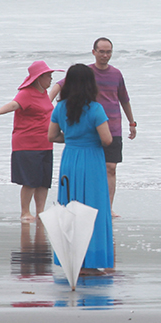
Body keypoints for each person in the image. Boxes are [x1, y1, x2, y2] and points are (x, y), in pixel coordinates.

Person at [50, 37, 136, 212]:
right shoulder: (85, 73)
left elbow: (124, 99)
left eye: (108, 52)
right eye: (102, 51)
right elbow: (60, 85)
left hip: (112, 127)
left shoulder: (116, 74)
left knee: (110, 168)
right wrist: (47, 104)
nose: (105, 55)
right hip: (89, 126)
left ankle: (108, 207)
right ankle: (88, 204)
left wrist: (131, 122)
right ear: (94, 52)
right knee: (91, 168)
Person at [48, 64, 114, 272]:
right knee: (93, 207)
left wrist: (72, 138)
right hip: (92, 159)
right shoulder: (95, 108)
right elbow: (107, 140)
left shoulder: (60, 107)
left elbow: (51, 136)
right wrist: (89, 139)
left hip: (70, 158)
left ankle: (71, 260)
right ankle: (92, 261)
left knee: (70, 207)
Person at [0, 60, 62, 221]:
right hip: (28, 145)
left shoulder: (44, 94)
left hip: (46, 143)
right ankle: (25, 212)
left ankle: (40, 212)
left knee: (43, 182)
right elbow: (14, 105)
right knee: (30, 181)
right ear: (38, 78)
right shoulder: (26, 93)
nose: (51, 78)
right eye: (48, 75)